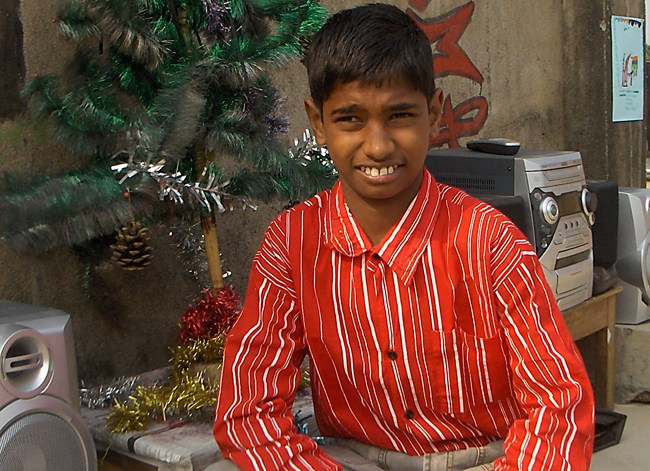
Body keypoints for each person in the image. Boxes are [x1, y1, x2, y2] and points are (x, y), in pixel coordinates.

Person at [211, 3, 595, 470]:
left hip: (480, 456)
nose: (378, 146)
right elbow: (247, 411)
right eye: (350, 119)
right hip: (352, 458)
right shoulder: (292, 242)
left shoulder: (489, 241)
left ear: (432, 114)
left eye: (399, 115)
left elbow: (560, 406)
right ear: (318, 122)